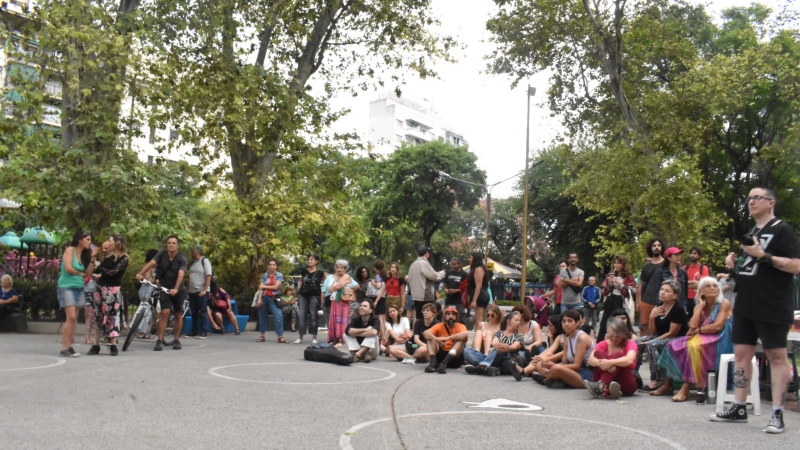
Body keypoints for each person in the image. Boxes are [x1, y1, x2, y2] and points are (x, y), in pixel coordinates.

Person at [710, 187, 800, 433]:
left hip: (772, 304)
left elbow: (795, 266)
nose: (751, 202)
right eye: (748, 198)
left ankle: (778, 412)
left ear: (771, 202)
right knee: (741, 354)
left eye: (756, 197)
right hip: (746, 303)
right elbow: (747, 270)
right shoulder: (751, 233)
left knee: (776, 356)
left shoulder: (783, 229)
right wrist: (734, 264)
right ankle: (739, 406)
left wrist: (763, 255)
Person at [658, 277, 732, 402]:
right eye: (708, 286)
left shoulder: (724, 303)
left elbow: (718, 326)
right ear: (701, 291)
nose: (713, 288)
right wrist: (700, 307)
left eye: (715, 285)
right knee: (672, 345)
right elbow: (692, 326)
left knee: (694, 347)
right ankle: (667, 385)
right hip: (703, 335)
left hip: (721, 337)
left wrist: (698, 331)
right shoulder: (698, 306)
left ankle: (685, 388)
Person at [135, 235, 188, 351]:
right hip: (164, 288)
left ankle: (176, 340)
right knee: (164, 312)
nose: (171, 245)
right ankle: (159, 340)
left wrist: (176, 288)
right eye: (169, 243)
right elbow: (151, 263)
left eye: (174, 243)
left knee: (178, 314)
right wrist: (140, 273)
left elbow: (181, 274)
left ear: (177, 245)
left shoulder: (181, 259)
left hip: (178, 290)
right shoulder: (161, 254)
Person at [635, 279, 689, 393]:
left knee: (652, 344)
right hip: (662, 336)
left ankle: (656, 380)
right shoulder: (658, 306)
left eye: (667, 291)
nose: (662, 292)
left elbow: (672, 333)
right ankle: (634, 375)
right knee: (638, 342)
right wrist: (651, 317)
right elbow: (652, 332)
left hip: (679, 339)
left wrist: (651, 341)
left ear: (675, 295)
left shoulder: (678, 308)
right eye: (661, 289)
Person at [57, 230, 97, 357]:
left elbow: (89, 272)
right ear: (80, 239)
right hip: (66, 286)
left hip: (79, 288)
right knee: (71, 317)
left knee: (74, 319)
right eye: (88, 239)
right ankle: (64, 348)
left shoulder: (86, 255)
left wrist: (93, 258)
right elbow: (68, 268)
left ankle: (69, 346)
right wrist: (80, 274)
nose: (90, 242)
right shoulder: (70, 250)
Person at [88, 234, 129, 356]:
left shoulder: (124, 258)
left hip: (112, 290)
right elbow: (96, 272)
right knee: (98, 315)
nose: (108, 243)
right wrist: (93, 260)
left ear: (117, 243)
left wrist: (98, 265)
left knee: (112, 316)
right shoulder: (108, 257)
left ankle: (113, 345)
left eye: (110, 240)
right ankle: (96, 345)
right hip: (100, 289)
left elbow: (113, 273)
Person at [539, 309, 596, 388]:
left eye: (570, 321)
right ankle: (554, 378)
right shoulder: (567, 339)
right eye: (564, 321)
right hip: (572, 370)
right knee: (539, 364)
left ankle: (550, 377)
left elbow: (577, 366)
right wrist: (546, 363)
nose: (566, 324)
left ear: (577, 323)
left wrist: (552, 366)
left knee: (556, 368)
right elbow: (564, 362)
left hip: (585, 373)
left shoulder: (582, 338)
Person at [584, 317, 639, 399]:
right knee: (598, 353)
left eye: (617, 336)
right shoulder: (603, 344)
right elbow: (591, 360)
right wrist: (603, 364)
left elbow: (629, 360)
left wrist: (610, 362)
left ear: (623, 334)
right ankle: (608, 388)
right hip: (602, 375)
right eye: (611, 335)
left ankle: (601, 385)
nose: (613, 338)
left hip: (625, 381)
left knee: (618, 355)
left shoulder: (630, 344)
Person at [464, 311, 526, 379]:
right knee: (466, 351)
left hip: (508, 360)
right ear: (508, 321)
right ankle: (489, 368)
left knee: (502, 350)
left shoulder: (519, 336)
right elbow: (494, 342)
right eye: (516, 320)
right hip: (495, 355)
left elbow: (516, 345)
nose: (518, 323)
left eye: (519, 321)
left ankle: (482, 367)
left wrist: (508, 348)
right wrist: (497, 345)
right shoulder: (499, 333)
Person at [597, 255, 636, 341]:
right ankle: (601, 343)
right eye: (615, 263)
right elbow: (603, 292)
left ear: (623, 264)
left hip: (621, 302)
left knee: (620, 323)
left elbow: (630, 292)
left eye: (618, 263)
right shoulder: (610, 275)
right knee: (605, 322)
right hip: (610, 301)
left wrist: (619, 283)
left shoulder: (629, 277)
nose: (616, 265)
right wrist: (609, 285)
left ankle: (621, 341)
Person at [423, 306, 468, 374]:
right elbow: (426, 333)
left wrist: (446, 338)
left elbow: (464, 335)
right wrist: (436, 339)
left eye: (453, 314)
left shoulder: (460, 326)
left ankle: (444, 363)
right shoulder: (439, 325)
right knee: (430, 339)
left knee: (460, 341)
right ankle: (433, 363)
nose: (451, 316)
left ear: (456, 317)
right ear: (444, 317)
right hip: (441, 355)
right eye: (448, 314)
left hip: (455, 358)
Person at [407, 245, 445, 322]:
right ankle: (428, 333)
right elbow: (435, 276)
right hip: (425, 296)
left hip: (415, 296)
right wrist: (443, 272)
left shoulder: (413, 264)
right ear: (426, 253)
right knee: (429, 317)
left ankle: (419, 333)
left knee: (419, 317)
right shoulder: (424, 263)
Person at [526, 314, 566, 383]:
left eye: (551, 325)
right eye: (548, 324)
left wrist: (542, 359)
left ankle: (527, 370)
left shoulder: (563, 337)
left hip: (559, 361)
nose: (548, 327)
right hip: (552, 358)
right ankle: (529, 369)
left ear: (557, 327)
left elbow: (554, 353)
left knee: (544, 358)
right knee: (539, 359)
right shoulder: (558, 336)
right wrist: (538, 357)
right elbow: (551, 350)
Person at [295, 253, 325, 345]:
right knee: (302, 315)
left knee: (313, 315)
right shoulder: (304, 271)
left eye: (312, 259)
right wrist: (298, 292)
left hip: (314, 295)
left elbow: (327, 281)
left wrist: (323, 293)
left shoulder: (320, 273)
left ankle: (314, 337)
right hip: (303, 295)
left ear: (316, 261)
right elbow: (301, 281)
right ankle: (300, 337)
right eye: (309, 259)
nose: (309, 261)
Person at [638, 237, 666, 331]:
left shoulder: (667, 265)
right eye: (654, 245)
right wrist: (639, 302)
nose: (656, 247)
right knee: (644, 331)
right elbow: (641, 285)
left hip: (661, 303)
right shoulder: (646, 266)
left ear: (662, 247)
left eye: (658, 245)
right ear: (650, 248)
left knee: (660, 329)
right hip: (646, 302)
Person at [256, 259, 287, 344]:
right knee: (262, 317)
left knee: (278, 316)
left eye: (274, 264)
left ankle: (280, 336)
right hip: (264, 297)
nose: (272, 266)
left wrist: (264, 286)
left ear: (276, 266)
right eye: (270, 264)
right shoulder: (264, 275)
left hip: (274, 298)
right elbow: (260, 288)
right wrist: (259, 299)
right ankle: (262, 335)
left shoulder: (279, 275)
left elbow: (275, 287)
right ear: (268, 266)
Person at [326, 259, 355, 347]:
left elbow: (338, 286)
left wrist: (335, 287)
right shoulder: (337, 278)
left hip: (343, 301)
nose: (339, 269)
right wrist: (335, 287)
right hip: (335, 301)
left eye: (341, 268)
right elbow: (329, 289)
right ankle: (336, 339)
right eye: (337, 267)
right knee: (334, 319)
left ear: (345, 269)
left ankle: (343, 340)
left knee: (342, 320)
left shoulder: (346, 276)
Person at [186, 246, 212, 339]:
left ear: (196, 252)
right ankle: (194, 330)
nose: (191, 254)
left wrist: (205, 290)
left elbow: (208, 276)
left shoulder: (204, 261)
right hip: (192, 291)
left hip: (201, 290)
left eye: (192, 252)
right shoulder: (192, 263)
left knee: (203, 311)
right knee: (194, 312)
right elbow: (190, 276)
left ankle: (204, 331)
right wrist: (187, 288)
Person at [344, 298, 380, 362]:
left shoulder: (375, 319)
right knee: (345, 335)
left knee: (374, 335)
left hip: (372, 352)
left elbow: (374, 332)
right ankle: (364, 355)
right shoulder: (356, 319)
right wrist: (365, 330)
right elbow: (347, 331)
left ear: (370, 311)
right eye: (361, 306)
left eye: (365, 306)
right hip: (357, 349)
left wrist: (356, 333)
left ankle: (358, 355)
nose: (361, 307)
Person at [135, 249, 158, 339]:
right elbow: (148, 280)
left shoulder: (146, 265)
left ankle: (140, 329)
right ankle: (141, 332)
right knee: (147, 312)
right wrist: (156, 281)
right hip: (146, 290)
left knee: (145, 311)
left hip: (144, 290)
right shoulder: (149, 267)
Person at [658, 247, 690, 312]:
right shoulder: (660, 271)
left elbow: (685, 290)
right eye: (676, 255)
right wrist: (659, 305)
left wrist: (684, 303)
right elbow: (656, 290)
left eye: (679, 255)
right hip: (665, 305)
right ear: (669, 258)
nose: (679, 257)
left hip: (681, 305)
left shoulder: (683, 272)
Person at [466, 251, 490, 332]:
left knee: (478, 319)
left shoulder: (478, 269)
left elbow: (478, 285)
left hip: (479, 295)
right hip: (482, 294)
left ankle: (478, 337)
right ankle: (479, 336)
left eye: (470, 257)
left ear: (475, 259)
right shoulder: (479, 268)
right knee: (480, 318)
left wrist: (474, 300)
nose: (469, 259)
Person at [368, 260, 388, 343]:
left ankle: (383, 337)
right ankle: (385, 336)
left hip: (377, 297)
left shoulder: (378, 276)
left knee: (379, 318)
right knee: (382, 318)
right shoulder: (385, 275)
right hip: (383, 298)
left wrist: (372, 281)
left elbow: (378, 285)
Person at [443, 257, 468, 323]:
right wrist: (445, 289)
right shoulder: (448, 273)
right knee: (446, 318)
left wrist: (456, 290)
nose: (453, 266)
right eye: (451, 264)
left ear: (459, 264)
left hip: (459, 301)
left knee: (458, 319)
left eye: (454, 264)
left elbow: (466, 288)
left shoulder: (464, 274)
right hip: (449, 300)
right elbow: (444, 285)